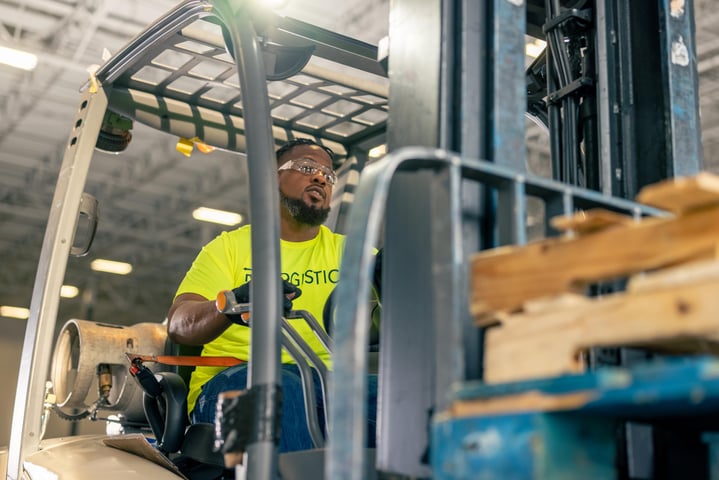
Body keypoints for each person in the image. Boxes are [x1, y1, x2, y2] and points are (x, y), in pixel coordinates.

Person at [166, 138, 378, 453]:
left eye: (328, 175)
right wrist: (230, 303)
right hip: (233, 384)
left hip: (331, 384)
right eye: (307, 167)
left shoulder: (354, 252)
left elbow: (403, 292)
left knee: (399, 395)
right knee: (282, 387)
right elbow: (179, 324)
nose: (320, 177)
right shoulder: (230, 248)